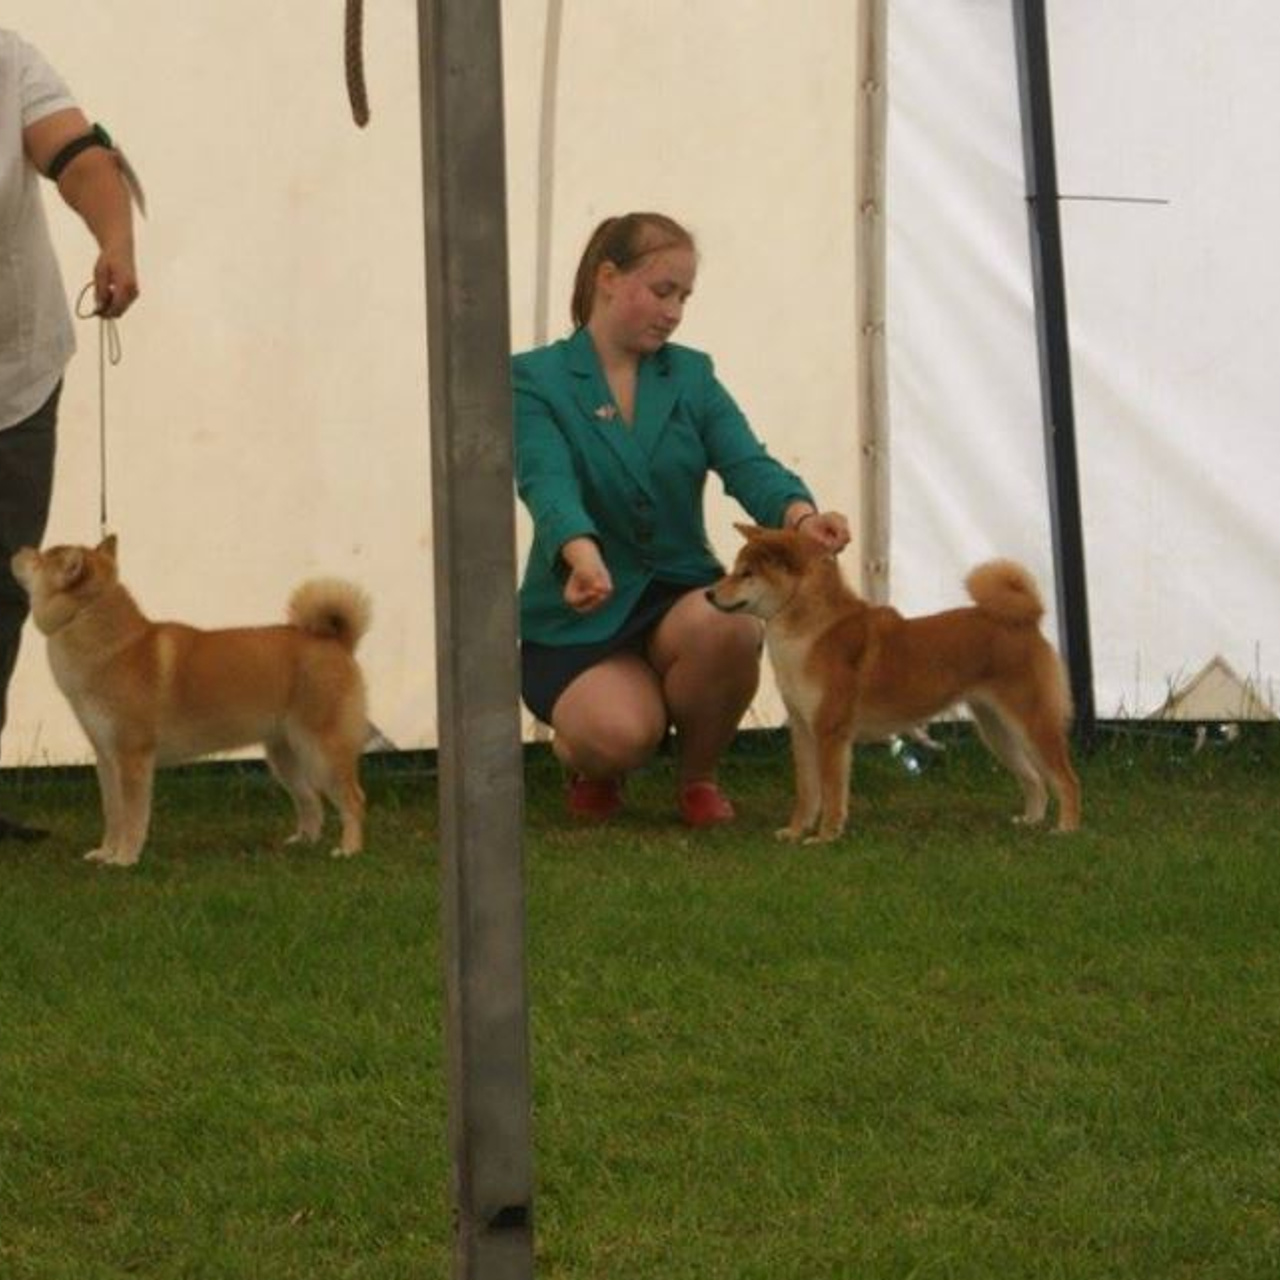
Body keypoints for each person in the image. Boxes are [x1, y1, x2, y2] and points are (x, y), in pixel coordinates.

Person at [514, 212, 849, 827]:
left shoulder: (692, 375)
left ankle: (697, 777)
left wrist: (802, 517)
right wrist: (579, 554)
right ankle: (590, 759)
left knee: (730, 627)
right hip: (578, 609)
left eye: (684, 297)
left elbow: (748, 463)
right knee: (617, 735)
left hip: (675, 595)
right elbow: (545, 480)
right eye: (662, 291)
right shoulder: (535, 379)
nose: (674, 312)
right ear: (608, 278)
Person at [0, 30, 140, 841]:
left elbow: (80, 156)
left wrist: (115, 243)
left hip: (15, 373)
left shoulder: (11, 62)